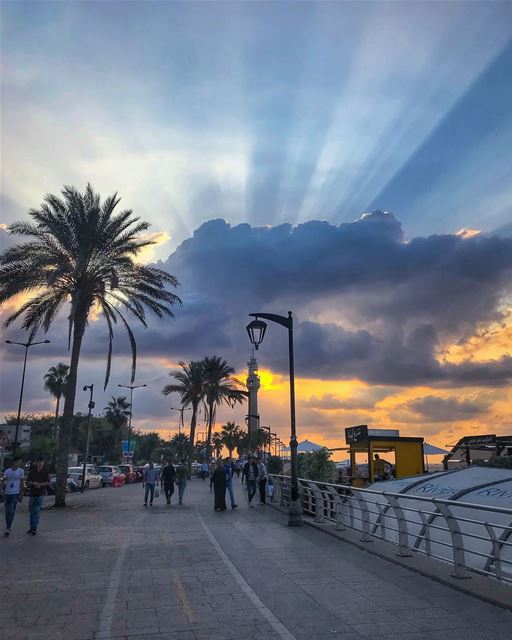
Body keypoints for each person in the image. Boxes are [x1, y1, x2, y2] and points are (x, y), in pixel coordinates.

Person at [26, 457, 50, 535]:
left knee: (36, 511)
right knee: (31, 511)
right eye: (39, 462)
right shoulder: (32, 471)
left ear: (43, 462)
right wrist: (34, 483)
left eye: (41, 462)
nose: (40, 464)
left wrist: (40, 484)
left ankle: (34, 528)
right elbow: (28, 482)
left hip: (40, 493)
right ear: (36, 462)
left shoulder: (45, 471)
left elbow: (47, 482)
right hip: (32, 493)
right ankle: (32, 527)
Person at [2, 458, 24, 536]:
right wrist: (1, 490)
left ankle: (8, 528)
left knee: (11, 511)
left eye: (20, 462)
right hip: (7, 493)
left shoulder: (21, 471)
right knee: (7, 511)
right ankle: (7, 526)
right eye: (18, 462)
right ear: (14, 462)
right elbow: (3, 480)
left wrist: (21, 493)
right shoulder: (8, 471)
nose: (19, 463)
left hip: (15, 493)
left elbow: (22, 482)